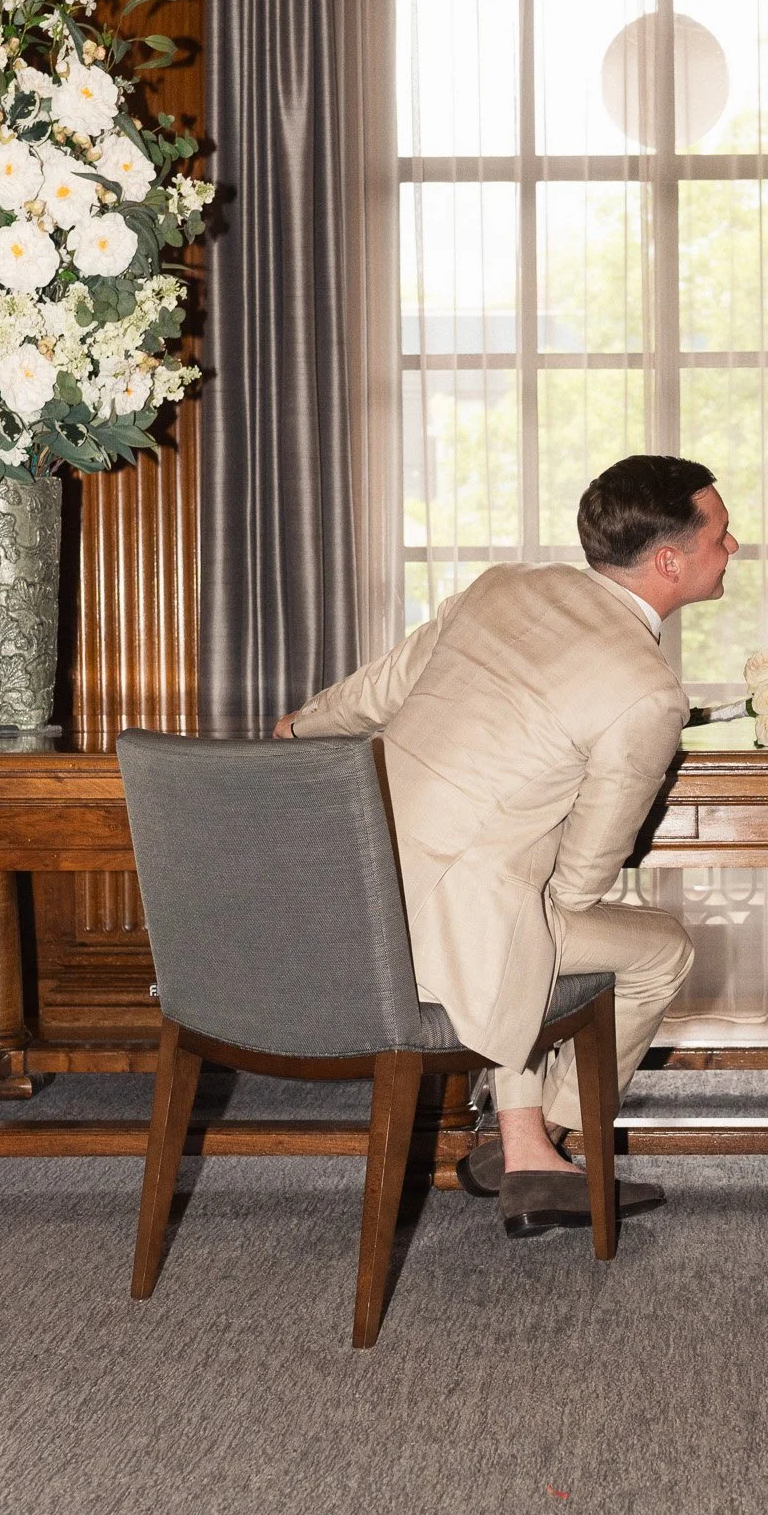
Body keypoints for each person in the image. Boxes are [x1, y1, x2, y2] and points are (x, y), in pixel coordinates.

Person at [277, 456, 737, 1240]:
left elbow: (379, 693)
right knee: (661, 949)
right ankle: (551, 1138)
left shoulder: (504, 586)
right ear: (670, 561)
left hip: (345, 891)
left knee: (522, 916)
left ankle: (526, 1147)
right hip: (446, 928)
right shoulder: (648, 691)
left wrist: (297, 726)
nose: (735, 549)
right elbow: (588, 873)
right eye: (722, 538)